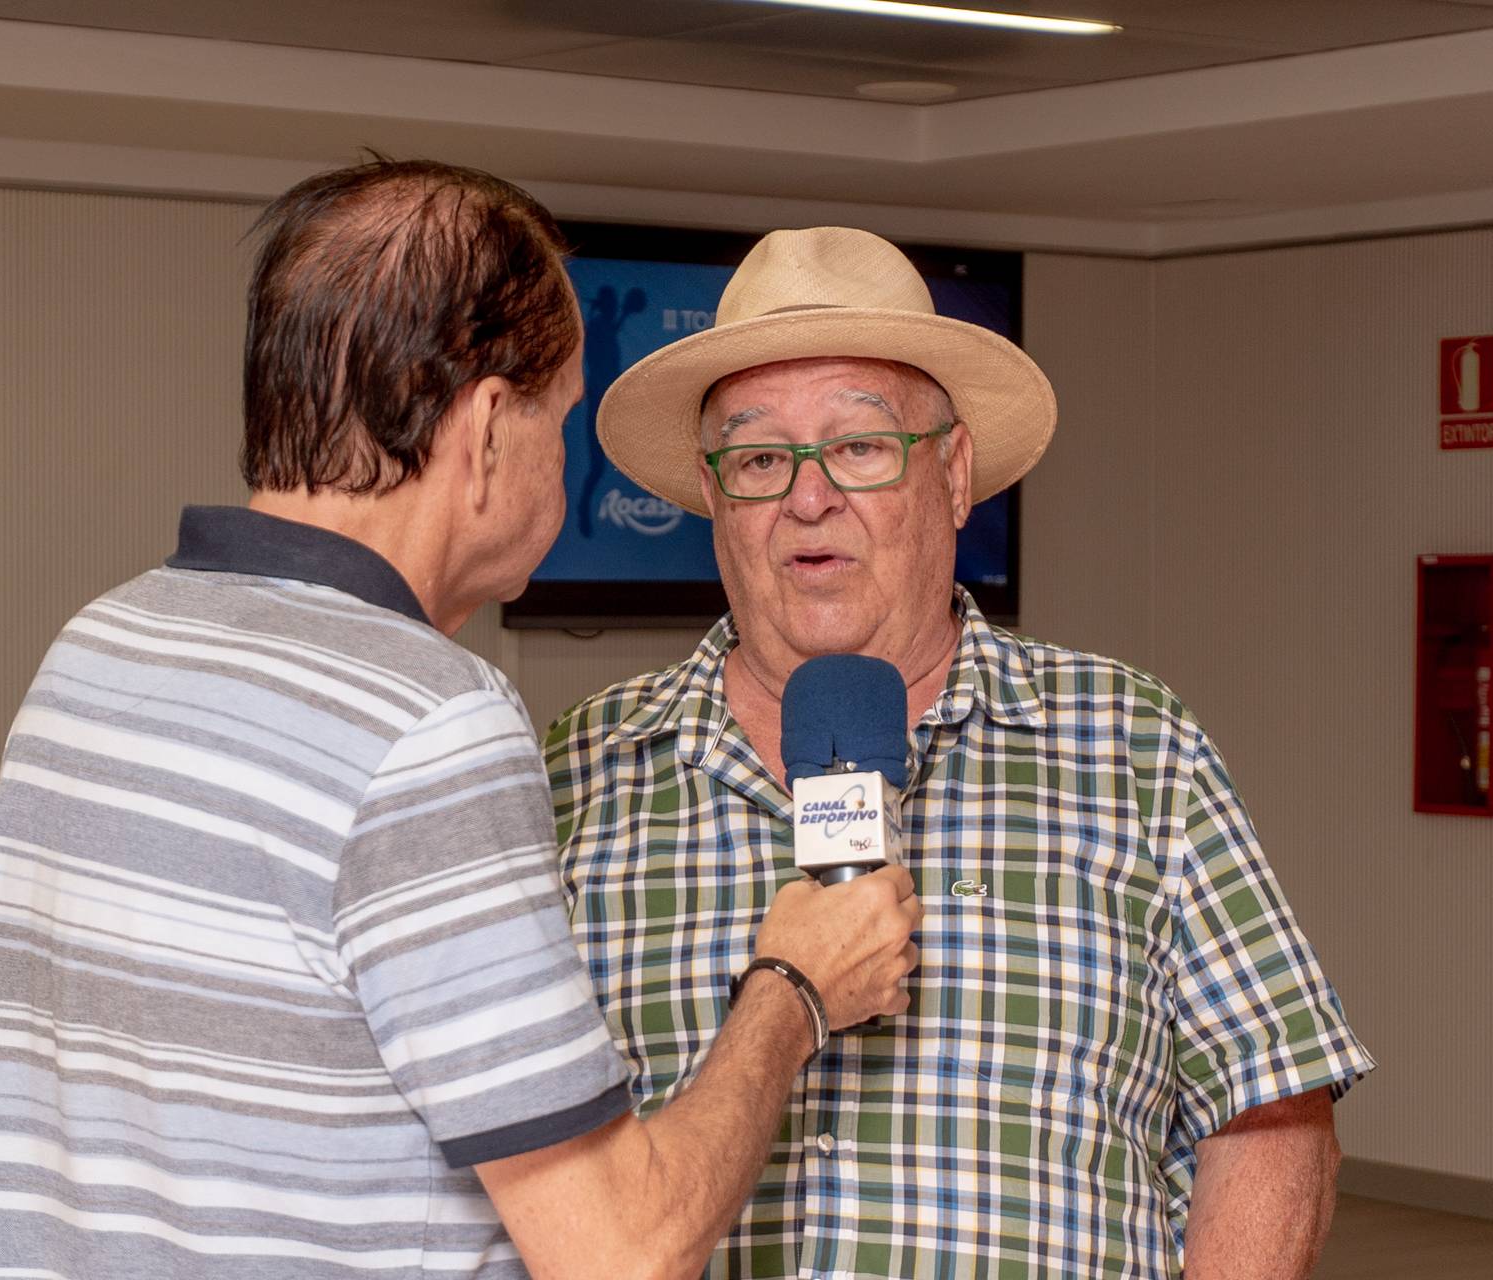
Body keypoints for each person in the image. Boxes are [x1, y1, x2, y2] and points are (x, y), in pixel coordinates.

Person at [0, 163, 923, 1280]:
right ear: (489, 426)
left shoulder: (97, 650)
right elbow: (620, 1250)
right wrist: (792, 990)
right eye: (563, 417)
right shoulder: (429, 721)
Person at [547, 226, 1376, 1279]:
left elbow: (1269, 1110)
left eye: (859, 447)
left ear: (953, 473)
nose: (808, 497)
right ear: (713, 496)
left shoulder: (1132, 747)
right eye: (759, 458)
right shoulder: (583, 773)